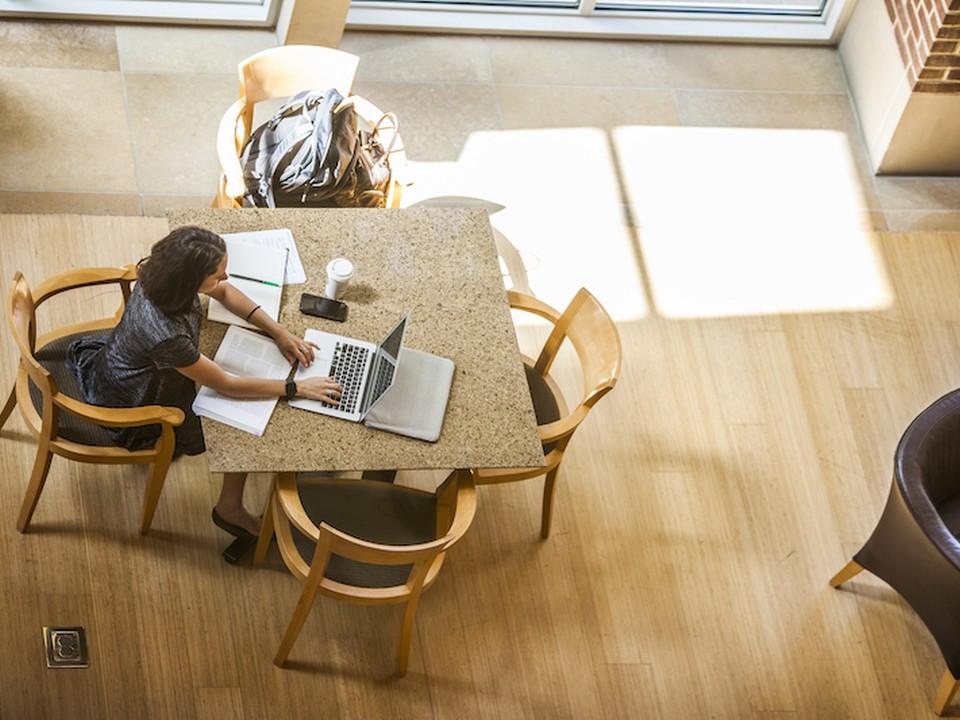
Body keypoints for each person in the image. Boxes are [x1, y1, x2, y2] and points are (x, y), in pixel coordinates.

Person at [67, 226, 341, 538]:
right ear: (189, 281)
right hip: (137, 398)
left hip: (127, 363)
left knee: (250, 401)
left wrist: (277, 331)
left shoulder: (162, 277)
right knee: (239, 424)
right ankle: (230, 508)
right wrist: (297, 388)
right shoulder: (166, 334)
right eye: (218, 274)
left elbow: (223, 292)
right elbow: (227, 384)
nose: (225, 279)